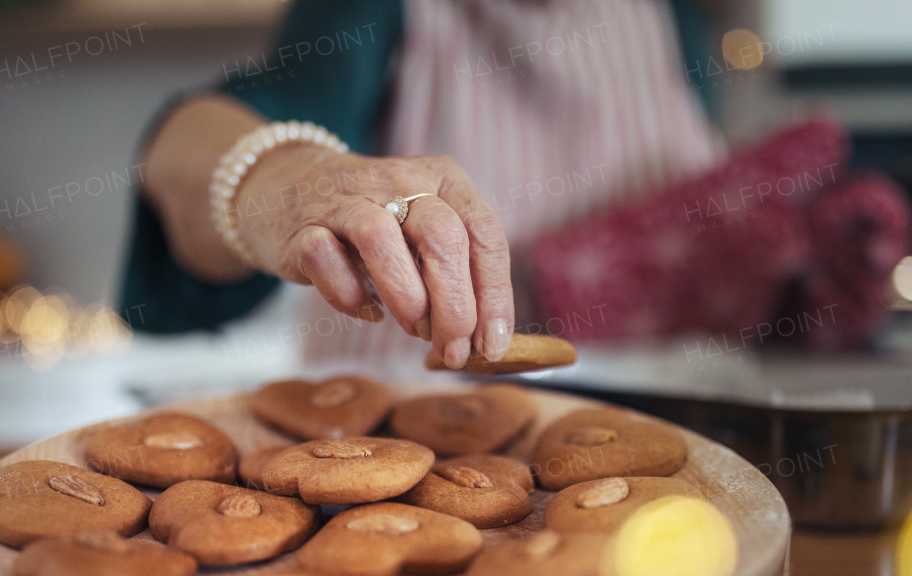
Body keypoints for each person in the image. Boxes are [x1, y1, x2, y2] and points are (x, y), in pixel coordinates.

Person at [126, 0, 723, 368]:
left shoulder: (675, 17)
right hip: (388, 418)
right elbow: (180, 147)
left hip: (648, 427)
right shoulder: (371, 8)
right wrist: (288, 176)